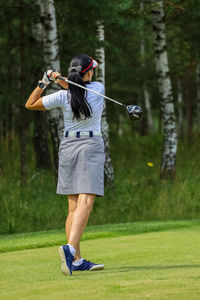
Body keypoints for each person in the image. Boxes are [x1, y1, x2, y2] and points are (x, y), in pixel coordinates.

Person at [25, 54, 105, 276]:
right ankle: (70, 250)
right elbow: (76, 88)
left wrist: (45, 82)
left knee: (72, 206)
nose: (94, 74)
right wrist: (61, 79)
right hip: (91, 145)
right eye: (92, 70)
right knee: (86, 201)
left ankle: (77, 260)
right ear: (88, 73)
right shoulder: (98, 88)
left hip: (68, 146)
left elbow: (30, 104)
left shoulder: (62, 96)